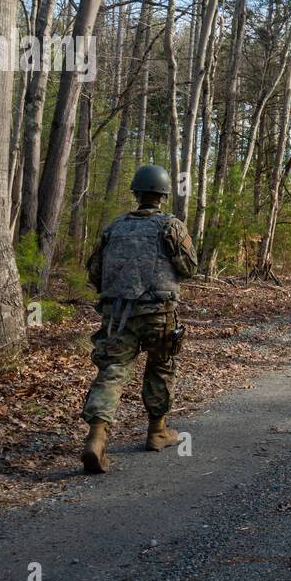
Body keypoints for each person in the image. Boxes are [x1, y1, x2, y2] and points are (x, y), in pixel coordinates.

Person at [79, 165, 198, 474]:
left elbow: (94, 273)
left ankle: (96, 437)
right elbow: (189, 269)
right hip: (159, 314)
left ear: (136, 193)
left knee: (113, 371)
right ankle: (157, 431)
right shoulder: (172, 227)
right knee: (161, 368)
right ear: (163, 195)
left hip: (119, 315)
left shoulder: (114, 228)